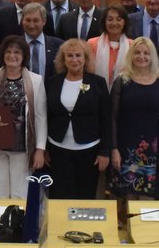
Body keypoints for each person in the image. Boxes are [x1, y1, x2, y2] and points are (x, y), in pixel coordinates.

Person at [0, 36, 48, 199]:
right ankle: (0, 225)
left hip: (23, 148)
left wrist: (40, 149)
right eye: (8, 52)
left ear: (24, 56)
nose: (12, 55)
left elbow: (40, 117)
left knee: (20, 194)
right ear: (2, 54)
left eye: (17, 52)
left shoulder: (36, 81)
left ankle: (18, 224)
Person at [44, 38, 112, 200]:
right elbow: (46, 116)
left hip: (89, 150)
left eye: (78, 55)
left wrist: (104, 152)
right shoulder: (52, 82)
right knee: (60, 196)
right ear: (63, 59)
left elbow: (106, 119)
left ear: (85, 58)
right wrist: (45, 148)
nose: (74, 60)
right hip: (58, 150)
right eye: (70, 56)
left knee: (85, 196)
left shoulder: (97, 83)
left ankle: (82, 227)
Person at [109, 37, 159, 203]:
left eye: (146, 53)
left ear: (152, 56)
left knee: (147, 204)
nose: (141, 56)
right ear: (131, 55)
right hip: (125, 150)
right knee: (127, 202)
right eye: (137, 52)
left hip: (153, 152)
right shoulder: (121, 82)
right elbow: (113, 118)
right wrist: (114, 148)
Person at [87, 4, 130, 86]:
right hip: (97, 91)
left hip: (124, 93)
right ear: (104, 22)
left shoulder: (132, 45)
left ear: (124, 22)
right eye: (110, 19)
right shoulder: (92, 44)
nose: (114, 23)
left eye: (118, 19)